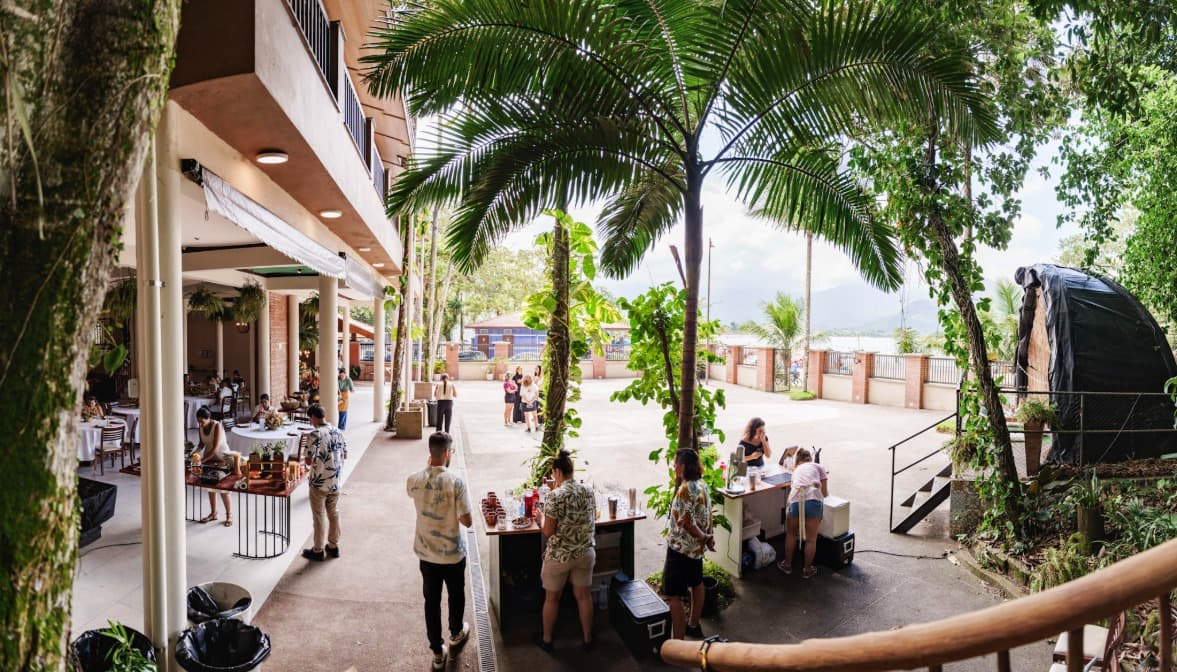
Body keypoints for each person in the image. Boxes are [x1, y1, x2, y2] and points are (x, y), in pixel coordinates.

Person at [407, 432, 472, 671]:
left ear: (430, 453)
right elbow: (467, 521)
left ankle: (437, 651)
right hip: (453, 554)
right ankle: (456, 632)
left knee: (431, 602)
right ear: (447, 453)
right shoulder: (456, 482)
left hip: (426, 553)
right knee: (456, 594)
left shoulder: (413, 480)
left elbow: (414, 491)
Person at [534, 449, 596, 653]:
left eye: (554, 475)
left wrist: (539, 517)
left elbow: (548, 530)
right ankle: (588, 640)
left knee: (552, 598)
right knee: (584, 596)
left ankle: (547, 640)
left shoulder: (555, 496)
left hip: (560, 556)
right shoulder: (587, 490)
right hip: (585, 553)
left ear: (557, 472)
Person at [664, 448, 714, 639]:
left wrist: (703, 537)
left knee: (673, 595)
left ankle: (678, 641)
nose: (674, 467)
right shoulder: (702, 485)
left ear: (683, 466)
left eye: (676, 463)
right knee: (696, 583)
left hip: (680, 549)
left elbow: (687, 522)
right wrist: (709, 537)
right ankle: (693, 624)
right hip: (695, 551)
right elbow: (708, 514)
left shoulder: (685, 489)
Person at [302, 404, 347, 561]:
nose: (311, 422)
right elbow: (345, 455)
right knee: (333, 513)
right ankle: (333, 546)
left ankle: (318, 550)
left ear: (313, 417)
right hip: (335, 481)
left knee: (319, 516)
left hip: (319, 483)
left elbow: (308, 460)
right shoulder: (338, 431)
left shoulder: (315, 434)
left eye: (310, 419)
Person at [779, 448, 828, 579]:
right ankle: (807, 570)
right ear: (811, 459)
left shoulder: (796, 471)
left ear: (797, 462)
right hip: (813, 500)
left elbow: (794, 485)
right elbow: (825, 494)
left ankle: (787, 565)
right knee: (811, 539)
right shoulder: (819, 467)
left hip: (796, 499)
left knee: (791, 534)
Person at [194, 407, 233, 527]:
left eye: (202, 421)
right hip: (209, 458)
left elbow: (215, 448)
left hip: (222, 457)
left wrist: (202, 460)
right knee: (210, 485)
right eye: (198, 421)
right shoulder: (201, 427)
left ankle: (229, 515)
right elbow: (201, 444)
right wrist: (193, 453)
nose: (200, 424)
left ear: (209, 419)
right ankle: (213, 513)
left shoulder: (217, 426)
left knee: (223, 487)